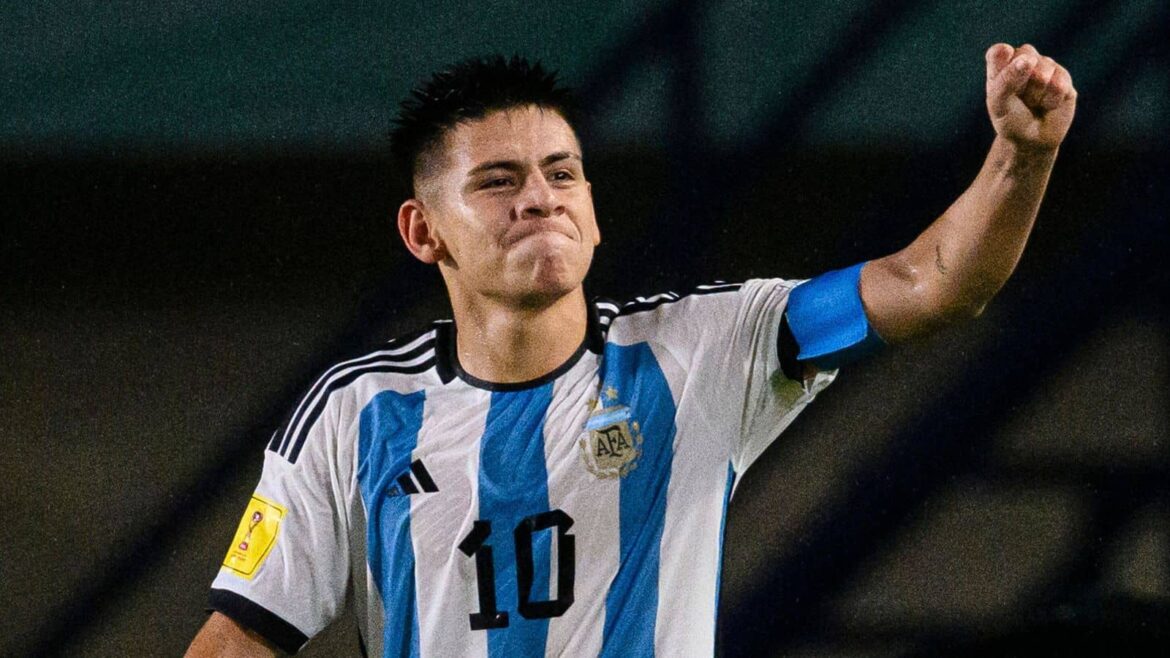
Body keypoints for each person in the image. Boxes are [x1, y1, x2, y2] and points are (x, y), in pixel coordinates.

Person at [187, 43, 1076, 656]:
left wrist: (1020, 158)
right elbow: (246, 634)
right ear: (424, 233)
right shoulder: (358, 413)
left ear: (595, 211)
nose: (541, 198)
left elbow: (934, 283)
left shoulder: (706, 349)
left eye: (562, 173)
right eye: (498, 182)